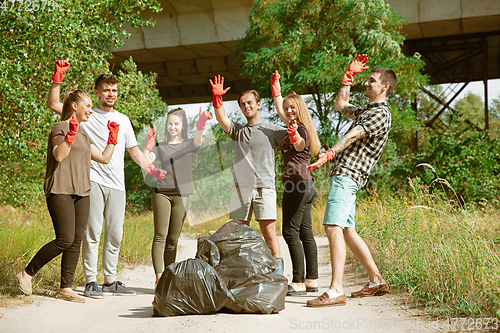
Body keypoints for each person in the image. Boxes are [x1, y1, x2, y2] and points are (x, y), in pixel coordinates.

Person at [46, 60, 166, 299]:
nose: (111, 94)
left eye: (114, 90)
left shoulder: (123, 120)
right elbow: (53, 103)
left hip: (117, 184)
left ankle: (110, 280)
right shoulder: (86, 115)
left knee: (115, 233)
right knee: (92, 231)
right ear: (98, 91)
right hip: (92, 180)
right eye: (106, 90)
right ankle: (91, 281)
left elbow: (134, 152)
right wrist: (57, 79)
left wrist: (151, 169)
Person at [305, 54, 397, 307]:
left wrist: (330, 152)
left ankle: (336, 290)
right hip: (345, 176)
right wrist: (348, 76)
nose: (366, 84)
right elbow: (340, 103)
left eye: (372, 81)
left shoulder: (380, 114)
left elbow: (354, 134)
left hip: (348, 176)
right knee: (347, 230)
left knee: (332, 227)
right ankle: (376, 280)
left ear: (385, 86)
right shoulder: (367, 110)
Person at [16, 89, 118, 303]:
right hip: (60, 189)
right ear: (74, 106)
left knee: (75, 241)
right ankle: (26, 274)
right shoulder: (60, 127)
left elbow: (105, 158)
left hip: (82, 191)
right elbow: (59, 155)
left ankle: (65, 288)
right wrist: (69, 135)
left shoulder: (84, 134)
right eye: (88, 105)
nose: (91, 109)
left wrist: (112, 139)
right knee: (64, 239)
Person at [209, 75, 287, 258]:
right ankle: (241, 274)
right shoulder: (239, 131)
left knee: (269, 235)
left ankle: (278, 276)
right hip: (240, 189)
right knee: (238, 236)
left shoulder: (273, 131)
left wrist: (278, 94)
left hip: (264, 188)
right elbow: (222, 119)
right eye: (243, 104)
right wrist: (217, 99)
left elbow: (296, 131)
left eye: (250, 102)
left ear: (258, 104)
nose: (247, 106)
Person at [143, 107, 211, 284]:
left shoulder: (190, 144)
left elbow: (198, 140)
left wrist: (201, 125)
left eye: (176, 124)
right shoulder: (161, 146)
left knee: (173, 239)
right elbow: (145, 161)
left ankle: (169, 276)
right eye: (170, 124)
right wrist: (148, 145)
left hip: (182, 195)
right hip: (162, 193)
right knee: (160, 236)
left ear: (182, 125)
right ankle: (160, 278)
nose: (172, 127)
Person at [270, 71, 321, 295]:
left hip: (296, 185)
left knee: (290, 232)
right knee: (305, 233)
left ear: (300, 109)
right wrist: (276, 89)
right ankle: (311, 279)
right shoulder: (303, 125)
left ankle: (298, 281)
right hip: (307, 184)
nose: (289, 111)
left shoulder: (299, 129)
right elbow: (281, 107)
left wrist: (294, 139)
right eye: (287, 108)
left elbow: (300, 146)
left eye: (293, 108)